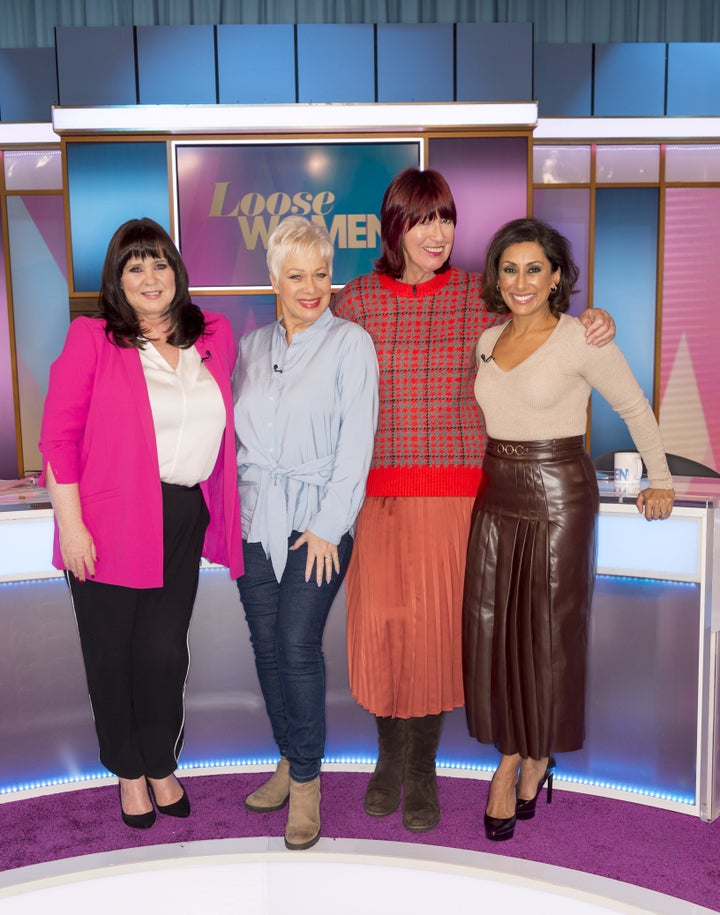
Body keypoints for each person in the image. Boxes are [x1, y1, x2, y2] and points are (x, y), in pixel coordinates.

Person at [332, 167, 616, 833]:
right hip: (376, 495)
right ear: (394, 227)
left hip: (459, 494)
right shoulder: (358, 301)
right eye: (422, 219)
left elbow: (540, 320)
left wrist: (592, 320)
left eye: (445, 218)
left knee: (434, 637)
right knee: (381, 630)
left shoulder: (475, 298)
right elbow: (317, 364)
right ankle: (389, 756)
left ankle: (423, 766)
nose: (437, 233)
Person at [462, 217, 674, 842]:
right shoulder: (486, 340)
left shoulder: (584, 337)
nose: (521, 281)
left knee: (549, 634)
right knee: (495, 631)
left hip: (559, 493)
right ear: (495, 278)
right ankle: (521, 751)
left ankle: (521, 761)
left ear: (557, 276)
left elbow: (633, 405)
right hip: (495, 491)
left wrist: (659, 478)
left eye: (535, 268)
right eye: (509, 268)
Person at [39, 218, 243, 829]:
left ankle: (161, 761)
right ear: (117, 280)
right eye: (135, 267)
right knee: (112, 656)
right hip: (106, 519)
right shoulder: (93, 338)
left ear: (177, 272)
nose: (150, 277)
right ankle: (129, 772)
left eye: (160, 264)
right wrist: (71, 527)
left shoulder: (214, 334)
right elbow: (59, 437)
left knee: (162, 654)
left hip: (181, 513)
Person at [232, 216, 378, 850]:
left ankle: (308, 784)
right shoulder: (251, 347)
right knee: (265, 648)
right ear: (274, 280)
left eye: (321, 273)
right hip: (257, 515)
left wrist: (328, 526)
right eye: (297, 275)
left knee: (295, 644)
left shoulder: (352, 343)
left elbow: (357, 443)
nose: (312, 286)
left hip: (321, 519)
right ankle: (288, 759)